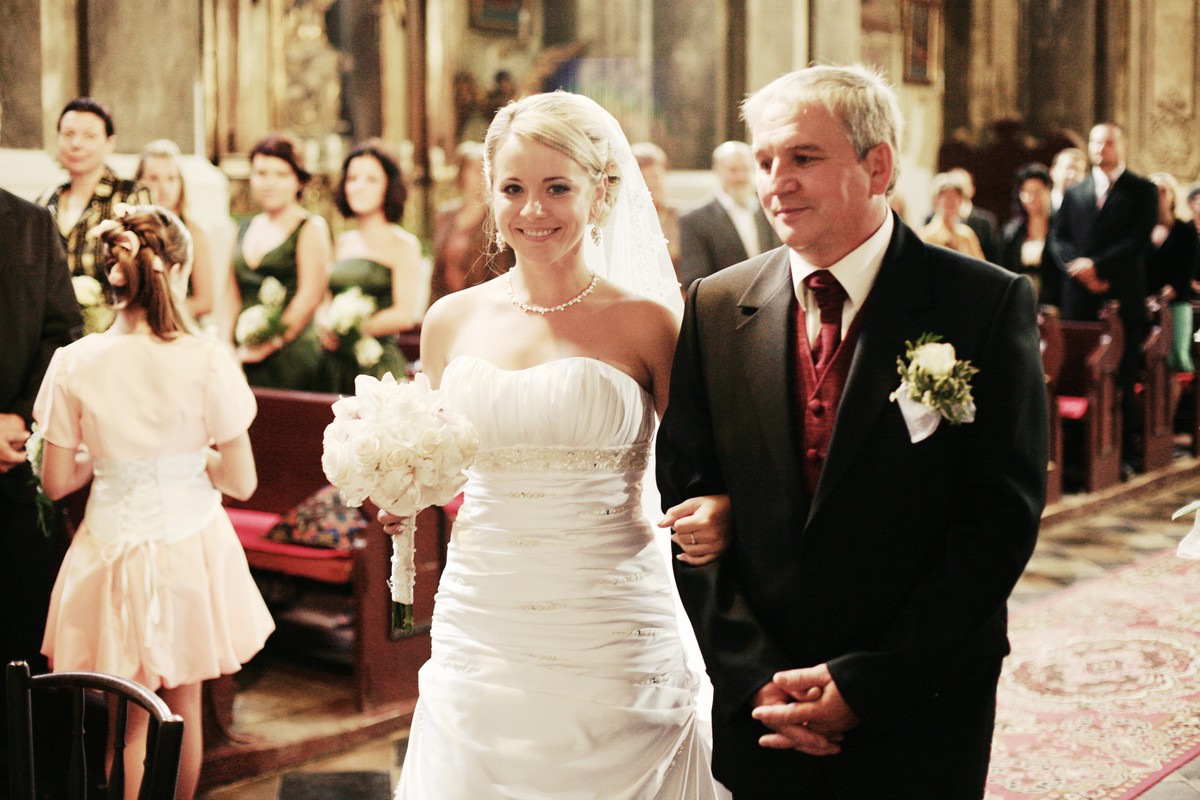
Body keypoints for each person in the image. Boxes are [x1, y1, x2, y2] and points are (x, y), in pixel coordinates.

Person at [657, 64, 1047, 798]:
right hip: (764, 711)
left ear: (878, 166)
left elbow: (999, 521)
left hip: (920, 705)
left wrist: (871, 685)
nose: (776, 182)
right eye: (766, 161)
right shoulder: (715, 306)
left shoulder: (982, 305)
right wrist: (751, 676)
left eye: (803, 157)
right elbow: (687, 507)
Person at [380, 90, 728, 798]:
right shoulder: (450, 321)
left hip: (610, 611)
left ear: (601, 193)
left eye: (557, 188)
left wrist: (719, 507)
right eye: (513, 188)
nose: (532, 209)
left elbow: (704, 463)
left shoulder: (649, 322)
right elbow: (437, 455)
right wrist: (400, 490)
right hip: (486, 604)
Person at [33, 206, 274, 799]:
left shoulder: (74, 361)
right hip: (188, 544)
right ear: (179, 271)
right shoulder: (205, 357)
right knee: (181, 707)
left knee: (127, 718)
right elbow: (241, 481)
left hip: (108, 547)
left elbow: (56, 482)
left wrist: (107, 458)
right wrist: (193, 459)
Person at [0, 98, 83, 788]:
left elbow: (63, 331)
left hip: (10, 469)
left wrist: (20, 416)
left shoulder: (30, 226)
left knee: (20, 631)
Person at [1048, 122, 1158, 473]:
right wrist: (1076, 268)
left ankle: (1122, 453)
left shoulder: (1141, 190)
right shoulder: (1076, 191)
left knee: (1122, 379)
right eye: (1095, 142)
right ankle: (1077, 457)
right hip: (1079, 297)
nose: (1100, 148)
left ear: (1122, 147)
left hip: (1120, 294)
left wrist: (1096, 266)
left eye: (1108, 142)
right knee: (1078, 374)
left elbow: (1138, 241)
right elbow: (1058, 237)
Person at [223, 133, 330, 390]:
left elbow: (309, 297)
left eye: (281, 174)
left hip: (290, 351)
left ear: (298, 180)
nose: (269, 182)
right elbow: (230, 298)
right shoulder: (242, 227)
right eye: (261, 173)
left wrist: (267, 344)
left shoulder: (310, 227)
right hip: (241, 353)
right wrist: (226, 347)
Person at [319, 139, 418, 393]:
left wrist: (350, 330)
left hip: (376, 365)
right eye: (352, 179)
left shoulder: (403, 245)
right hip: (333, 364)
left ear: (389, 186)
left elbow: (404, 314)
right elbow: (325, 300)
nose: (359, 187)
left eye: (371, 179)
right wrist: (325, 324)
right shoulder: (341, 242)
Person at [38, 97, 153, 290]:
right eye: (68, 134)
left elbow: (146, 272)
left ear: (109, 143)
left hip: (113, 308)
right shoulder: (45, 201)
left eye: (89, 136)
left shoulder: (131, 196)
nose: (76, 144)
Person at [679, 141, 779, 289]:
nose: (741, 176)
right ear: (717, 171)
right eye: (733, 170)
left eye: (746, 169)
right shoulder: (694, 220)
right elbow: (695, 280)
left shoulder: (772, 207)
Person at [135, 139, 215, 319]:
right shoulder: (130, 232)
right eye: (153, 178)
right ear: (139, 182)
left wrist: (157, 315)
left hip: (178, 322)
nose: (163, 187)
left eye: (171, 178)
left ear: (181, 183)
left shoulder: (194, 232)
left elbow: (205, 301)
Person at [429, 141, 513, 305]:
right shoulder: (445, 216)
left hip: (483, 305)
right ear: (462, 173)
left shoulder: (498, 218)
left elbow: (503, 271)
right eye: (476, 169)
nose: (483, 175)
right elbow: (437, 271)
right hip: (447, 303)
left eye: (488, 170)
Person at [1000, 163, 1053, 299]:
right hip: (1020, 297)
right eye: (1026, 192)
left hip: (1052, 300)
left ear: (1048, 191)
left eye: (1037, 191)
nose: (1031, 197)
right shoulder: (1012, 231)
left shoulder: (1058, 227)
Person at [632, 141, 684, 282]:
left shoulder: (682, 217)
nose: (651, 184)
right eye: (644, 179)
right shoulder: (623, 221)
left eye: (655, 177)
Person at [919, 171, 985, 260]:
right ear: (936, 200)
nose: (950, 202)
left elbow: (979, 263)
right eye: (946, 197)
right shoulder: (926, 235)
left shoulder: (967, 235)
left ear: (961, 201)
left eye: (955, 197)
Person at [947, 167, 1000, 263]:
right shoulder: (934, 218)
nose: (959, 192)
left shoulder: (985, 221)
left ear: (972, 189)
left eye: (963, 186)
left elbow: (992, 258)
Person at [1049, 147, 1087, 214]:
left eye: (1078, 170)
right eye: (1068, 168)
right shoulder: (1042, 204)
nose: (1072, 175)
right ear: (1053, 171)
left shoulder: (1088, 208)